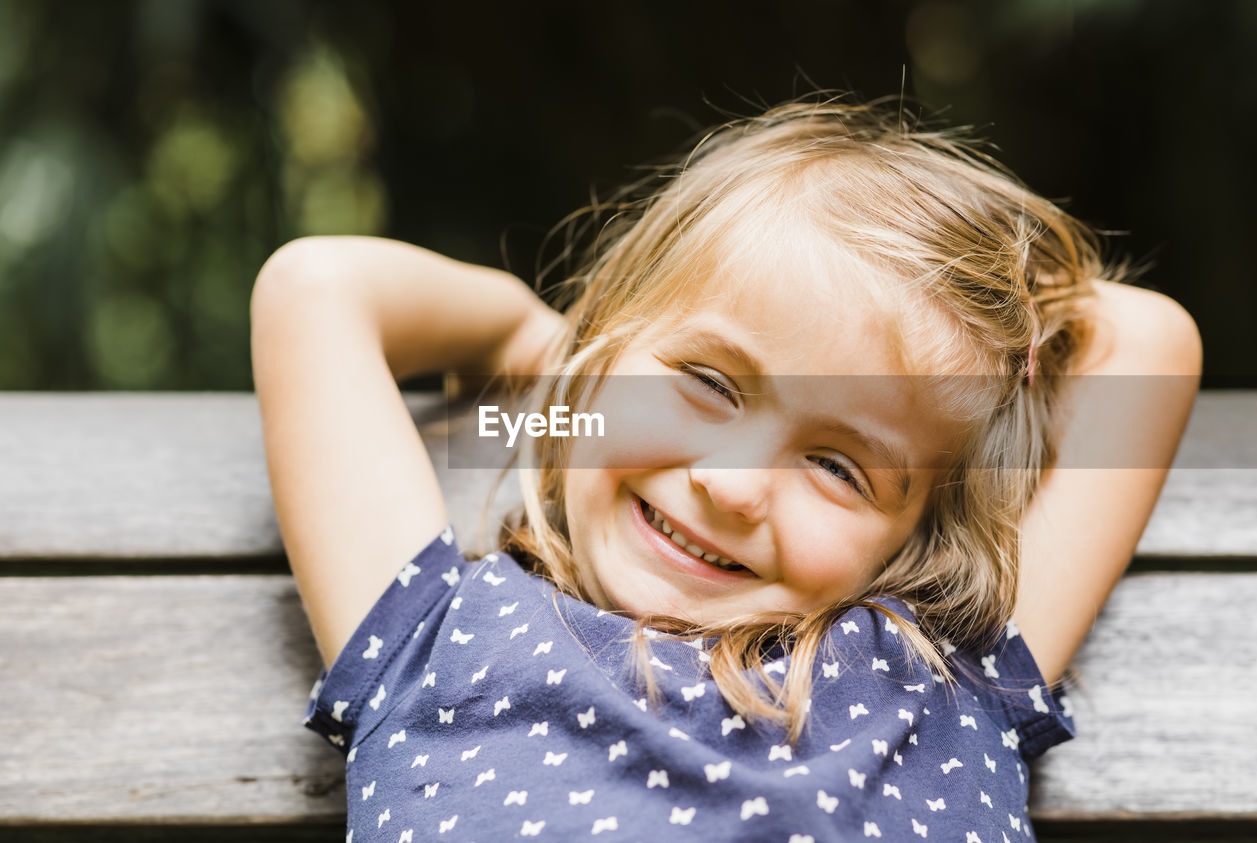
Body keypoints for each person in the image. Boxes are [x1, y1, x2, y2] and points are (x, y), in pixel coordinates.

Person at [251, 99, 1201, 841]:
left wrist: (968, 317)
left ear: (915, 537)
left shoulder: (944, 667)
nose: (734, 484)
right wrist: (531, 338)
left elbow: (1146, 340)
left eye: (838, 466)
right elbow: (314, 291)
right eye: (705, 381)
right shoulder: (429, 642)